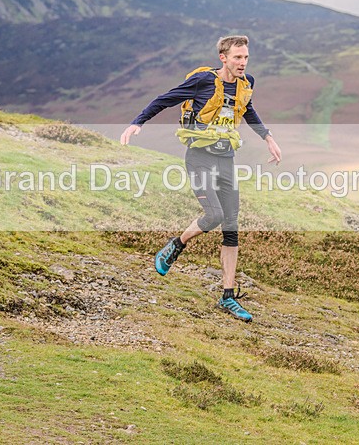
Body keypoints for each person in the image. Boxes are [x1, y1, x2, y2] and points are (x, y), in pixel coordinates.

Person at [120, 35, 282, 322]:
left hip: (225, 160)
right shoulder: (203, 81)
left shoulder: (246, 84)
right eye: (237, 58)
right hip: (199, 158)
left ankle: (228, 297)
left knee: (231, 228)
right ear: (224, 58)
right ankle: (176, 245)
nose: (242, 63)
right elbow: (165, 99)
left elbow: (248, 110)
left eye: (245, 57)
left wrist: (268, 137)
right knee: (214, 215)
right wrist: (137, 122)